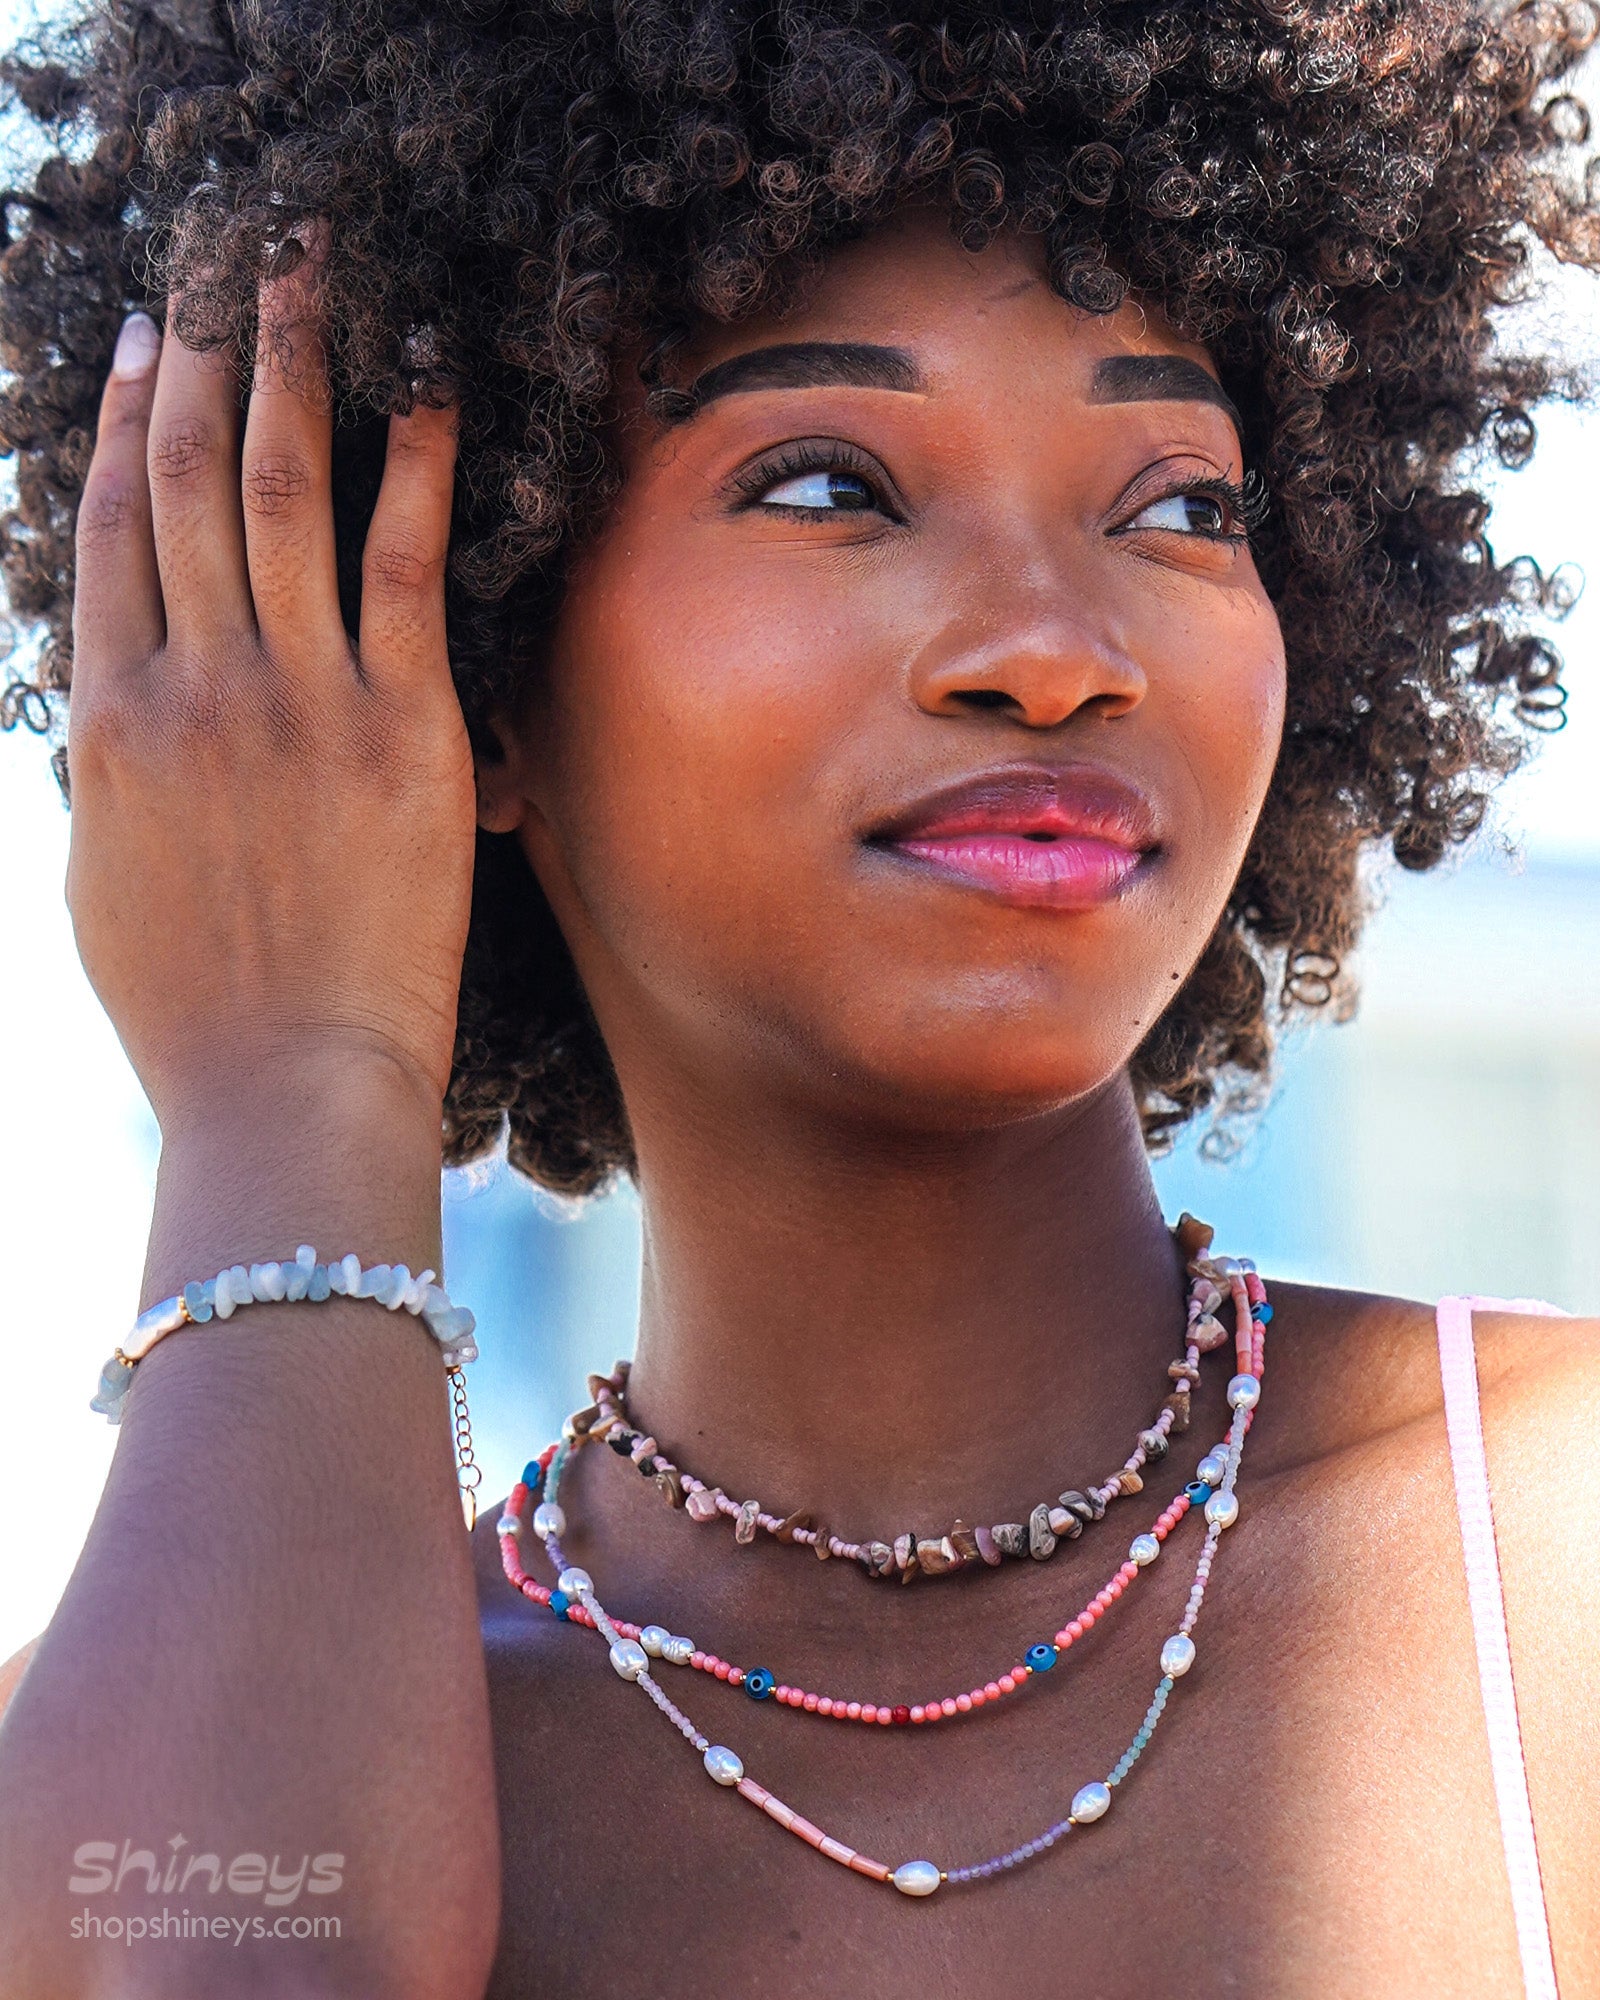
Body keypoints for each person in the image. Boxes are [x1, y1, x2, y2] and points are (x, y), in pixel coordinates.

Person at [0, 0, 1596, 1993]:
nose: (1048, 648)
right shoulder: (182, 1764)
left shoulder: (1553, 1541)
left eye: (1179, 506)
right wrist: (286, 1085)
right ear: (460, 675)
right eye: (832, 484)